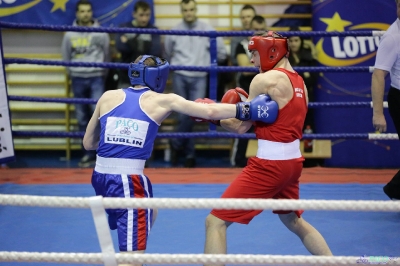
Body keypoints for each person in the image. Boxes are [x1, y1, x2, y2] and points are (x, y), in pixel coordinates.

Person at [82, 54, 277, 263]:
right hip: (128, 182)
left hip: (100, 177)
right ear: (158, 76)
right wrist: (249, 109)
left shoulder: (107, 96)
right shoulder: (164, 100)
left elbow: (89, 144)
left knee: (150, 211)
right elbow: (210, 110)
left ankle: (125, 224)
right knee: (131, 258)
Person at [203, 31, 333, 265]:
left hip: (269, 166)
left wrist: (212, 116)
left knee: (215, 221)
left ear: (269, 52)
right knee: (294, 221)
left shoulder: (264, 80)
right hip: (293, 163)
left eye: (253, 53)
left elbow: (240, 128)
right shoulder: (299, 80)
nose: (252, 60)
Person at [163, 0, 227, 168]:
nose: (189, 13)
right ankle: (189, 155)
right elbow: (168, 52)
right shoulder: (174, 31)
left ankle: (176, 144)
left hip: (199, 75)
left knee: (193, 115)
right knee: (182, 115)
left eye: (191, 9)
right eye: (186, 10)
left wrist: (206, 62)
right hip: (180, 74)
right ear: (182, 11)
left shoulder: (207, 29)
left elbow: (221, 53)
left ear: (195, 10)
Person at [61, 0, 110, 168]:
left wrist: (101, 72)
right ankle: (87, 155)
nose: (85, 14)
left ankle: (101, 154)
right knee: (82, 117)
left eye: (88, 11)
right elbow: (66, 57)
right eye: (82, 11)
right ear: (77, 13)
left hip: (96, 77)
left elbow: (107, 55)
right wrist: (73, 73)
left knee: (100, 117)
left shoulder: (101, 33)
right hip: (78, 78)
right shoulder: (69, 34)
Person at [371, 0, 400, 200]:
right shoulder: (393, 36)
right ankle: (394, 189)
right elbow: (378, 75)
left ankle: (395, 189)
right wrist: (378, 113)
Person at [230, 15, 267, 167]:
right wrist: (267, 64)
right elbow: (245, 68)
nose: (258, 33)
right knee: (243, 125)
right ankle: (238, 161)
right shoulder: (242, 45)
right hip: (247, 92)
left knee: (265, 127)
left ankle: (264, 162)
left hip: (266, 91)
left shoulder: (271, 46)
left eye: (261, 30)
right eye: (255, 30)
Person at [287, 26, 320, 167]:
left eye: (296, 40)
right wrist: (303, 76)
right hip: (288, 99)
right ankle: (289, 158)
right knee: (289, 127)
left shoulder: (308, 56)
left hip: (306, 98)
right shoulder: (284, 57)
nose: (294, 43)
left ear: (301, 41)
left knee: (308, 127)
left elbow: (314, 79)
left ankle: (309, 161)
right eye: (291, 40)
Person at [115, 0, 162, 89]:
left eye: (147, 15)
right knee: (124, 102)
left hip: (147, 79)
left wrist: (129, 41)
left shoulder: (154, 30)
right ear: (134, 14)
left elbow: (155, 51)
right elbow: (121, 47)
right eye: (141, 15)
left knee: (147, 103)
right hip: (126, 77)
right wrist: (144, 46)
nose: (144, 19)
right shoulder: (124, 27)